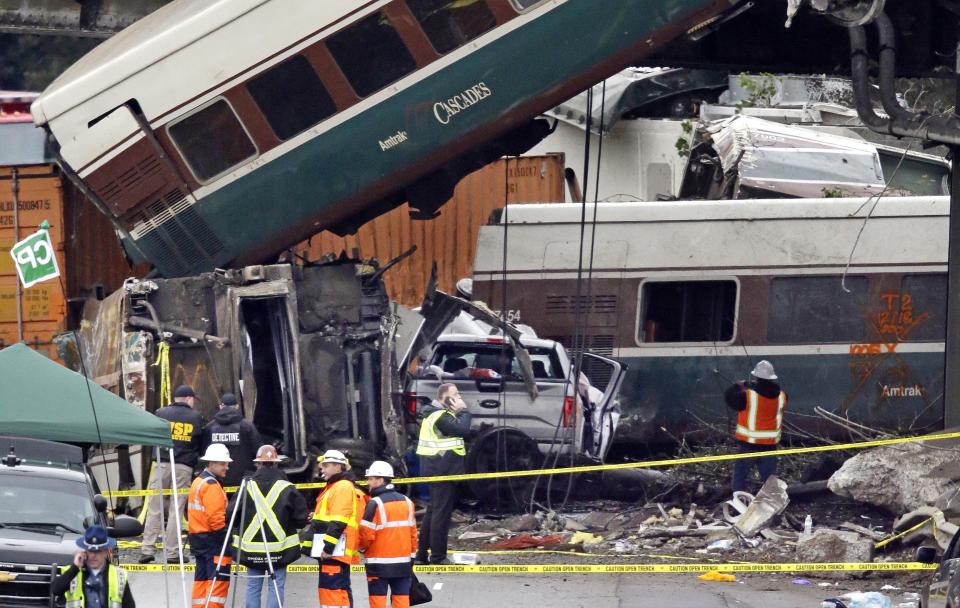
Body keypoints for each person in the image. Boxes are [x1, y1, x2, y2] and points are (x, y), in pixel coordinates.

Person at [232, 444, 309, 608]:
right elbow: (301, 519)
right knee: (276, 585)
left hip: (252, 550)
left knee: (253, 586)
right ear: (276, 463)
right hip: (280, 551)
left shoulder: (247, 486)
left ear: (257, 464)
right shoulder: (287, 487)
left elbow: (232, 515)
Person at [140, 384, 204, 564]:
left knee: (155, 507)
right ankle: (172, 553)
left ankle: (147, 549)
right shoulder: (195, 416)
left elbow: (150, 435)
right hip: (183, 466)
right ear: (189, 399)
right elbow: (201, 443)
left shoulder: (160, 413)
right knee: (176, 509)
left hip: (161, 464)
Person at [415, 383, 471, 565]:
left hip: (438, 468)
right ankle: (437, 557)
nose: (459, 397)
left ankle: (421, 555)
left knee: (433, 512)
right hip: (442, 469)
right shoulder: (439, 415)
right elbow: (462, 430)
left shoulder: (435, 414)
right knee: (441, 514)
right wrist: (464, 411)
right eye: (456, 394)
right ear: (444, 398)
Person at [308, 449, 366, 608]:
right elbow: (333, 516)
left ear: (338, 466)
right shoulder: (336, 486)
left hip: (334, 551)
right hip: (335, 550)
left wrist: (328, 547)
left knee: (332, 591)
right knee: (340, 591)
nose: (322, 469)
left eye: (326, 466)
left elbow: (339, 521)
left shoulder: (341, 487)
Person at [359, 461, 417, 608]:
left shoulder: (374, 504)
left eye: (371, 479)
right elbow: (413, 533)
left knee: (377, 601)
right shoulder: (408, 502)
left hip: (378, 564)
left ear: (380, 480)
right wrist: (412, 557)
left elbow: (366, 535)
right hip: (403, 563)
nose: (368, 483)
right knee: (402, 600)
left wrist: (361, 548)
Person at [725, 360, 788, 493]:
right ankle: (771, 508)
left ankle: (738, 504)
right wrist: (753, 387)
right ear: (772, 378)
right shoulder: (782, 396)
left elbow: (729, 398)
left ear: (756, 377)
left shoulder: (747, 396)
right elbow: (767, 394)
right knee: (769, 482)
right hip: (769, 446)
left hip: (749, 445)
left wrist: (738, 386)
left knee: (740, 479)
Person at [188, 443, 233, 608]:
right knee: (217, 584)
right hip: (213, 541)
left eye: (227, 463)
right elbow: (216, 521)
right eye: (223, 464)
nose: (226, 467)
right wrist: (227, 541)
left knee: (201, 582)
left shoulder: (198, 481)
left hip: (198, 539)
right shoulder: (212, 486)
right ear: (211, 463)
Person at [52, 525, 135, 607]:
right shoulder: (73, 572)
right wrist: (75, 567)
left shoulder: (119, 575)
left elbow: (130, 605)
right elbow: (56, 590)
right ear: (84, 551)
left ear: (106, 551)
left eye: (98, 551)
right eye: (90, 551)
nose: (93, 555)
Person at [203, 392, 262, 489]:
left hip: (217, 480)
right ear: (237, 406)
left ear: (221, 406)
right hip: (242, 479)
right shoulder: (247, 426)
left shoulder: (210, 427)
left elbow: (204, 451)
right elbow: (258, 450)